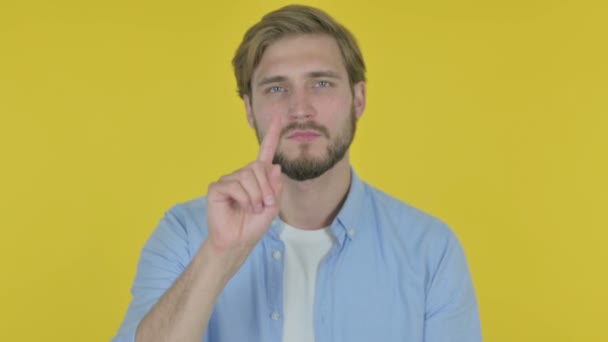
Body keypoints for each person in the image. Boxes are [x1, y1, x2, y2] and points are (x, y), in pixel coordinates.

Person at [112, 4, 481, 342]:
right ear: (249, 110)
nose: (299, 109)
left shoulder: (430, 250)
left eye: (321, 83)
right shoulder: (185, 234)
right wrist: (220, 254)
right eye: (276, 88)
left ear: (359, 98)